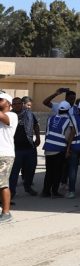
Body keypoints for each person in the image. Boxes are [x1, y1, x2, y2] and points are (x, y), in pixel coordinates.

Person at [9, 96, 41, 198]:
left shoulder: (29, 114)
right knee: (14, 172)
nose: (17, 105)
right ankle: (11, 192)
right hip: (15, 148)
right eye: (15, 104)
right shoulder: (9, 115)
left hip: (29, 147)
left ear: (22, 104)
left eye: (19, 103)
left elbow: (36, 125)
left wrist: (38, 137)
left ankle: (28, 187)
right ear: (11, 105)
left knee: (31, 169)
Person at [41, 101, 74, 198]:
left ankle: (45, 191)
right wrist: (68, 148)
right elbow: (67, 136)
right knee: (58, 171)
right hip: (59, 149)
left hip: (48, 148)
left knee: (49, 171)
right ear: (68, 110)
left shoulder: (51, 118)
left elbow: (47, 132)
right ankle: (55, 191)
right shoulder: (68, 121)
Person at [0, 93, 19, 223]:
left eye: (0, 99)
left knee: (2, 184)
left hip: (5, 154)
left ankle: (6, 213)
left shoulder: (12, 115)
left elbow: (3, 118)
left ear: (8, 103)